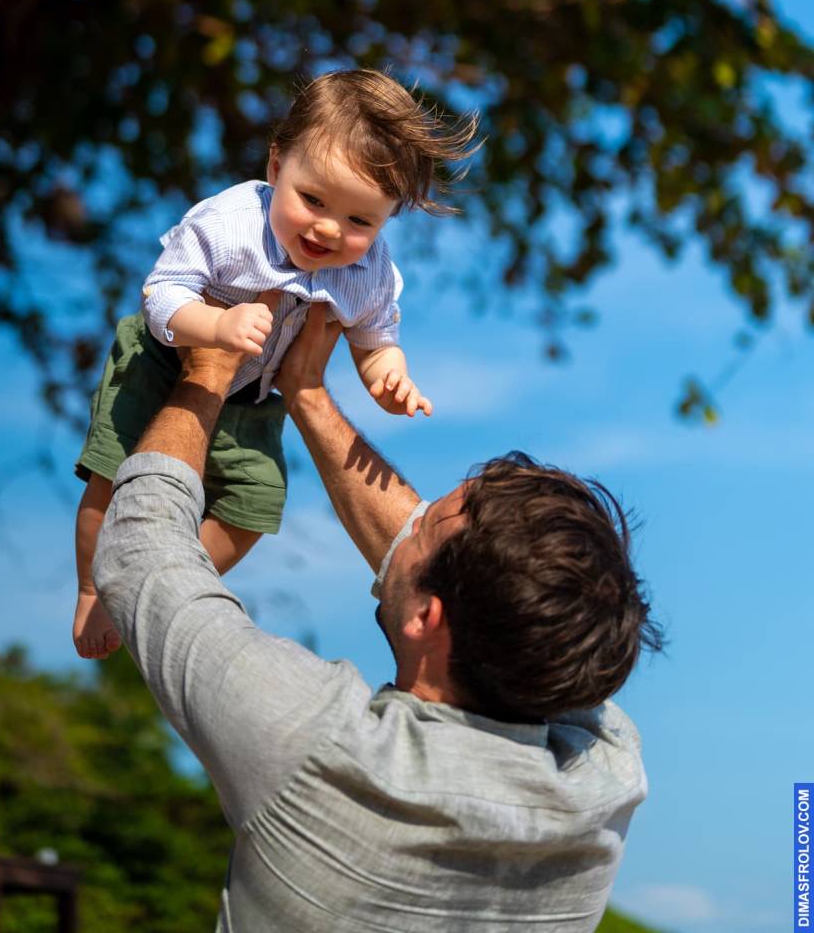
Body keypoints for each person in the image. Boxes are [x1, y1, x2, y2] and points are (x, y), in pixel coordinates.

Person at [93, 297, 662, 932]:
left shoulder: (317, 746)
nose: (407, 525)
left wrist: (207, 373)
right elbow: (515, 603)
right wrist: (306, 393)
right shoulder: (604, 778)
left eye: (422, 526)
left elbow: (143, 553)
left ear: (428, 619)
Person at [72, 68, 477, 658]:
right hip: (163, 361)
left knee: (254, 505)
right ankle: (91, 586)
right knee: (114, 472)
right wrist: (215, 326)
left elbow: (374, 339)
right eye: (312, 200)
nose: (328, 229)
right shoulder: (230, 224)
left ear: (386, 219)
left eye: (360, 221)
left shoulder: (368, 271)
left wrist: (388, 378)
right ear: (276, 165)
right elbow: (161, 294)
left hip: (253, 400)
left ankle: (154, 585)